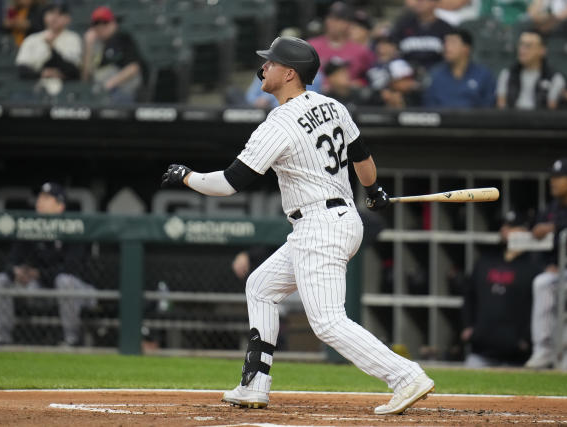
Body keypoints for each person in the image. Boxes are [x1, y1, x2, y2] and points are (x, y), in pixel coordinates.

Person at [161, 36, 435, 415]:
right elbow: (363, 158)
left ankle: (405, 375)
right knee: (260, 287)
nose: (263, 69)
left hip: (320, 225)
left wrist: (186, 176)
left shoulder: (280, 122)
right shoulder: (332, 105)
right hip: (336, 220)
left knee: (326, 322)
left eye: (270, 64)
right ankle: (255, 384)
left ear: (289, 73)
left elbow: (229, 183)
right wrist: (373, 191)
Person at [0, 182, 97, 346]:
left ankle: (72, 340)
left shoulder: (74, 227)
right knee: (2, 280)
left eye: (47, 198)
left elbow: (72, 268)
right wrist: (16, 272)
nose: (40, 201)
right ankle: (2, 339)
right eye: (40, 197)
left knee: (64, 281)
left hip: (80, 291)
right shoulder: (30, 227)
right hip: (40, 290)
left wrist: (39, 273)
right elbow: (11, 260)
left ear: (60, 206)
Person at [524, 158, 567, 369]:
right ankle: (559, 359)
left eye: (560, 177)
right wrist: (548, 264)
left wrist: (555, 226)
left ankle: (545, 350)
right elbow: (539, 239)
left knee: (547, 285)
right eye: (552, 177)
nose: (553, 182)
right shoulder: (551, 208)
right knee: (547, 285)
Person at [461, 211, 543, 368]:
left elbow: (539, 309)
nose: (505, 230)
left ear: (525, 231)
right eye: (504, 226)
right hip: (481, 350)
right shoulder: (485, 261)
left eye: (512, 227)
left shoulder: (535, 266)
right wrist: (468, 327)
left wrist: (526, 339)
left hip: (519, 356)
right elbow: (469, 296)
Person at [82, 6, 145, 103]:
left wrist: (109, 84)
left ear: (113, 23)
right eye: (96, 23)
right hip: (98, 91)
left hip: (122, 89)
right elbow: (86, 77)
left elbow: (133, 68)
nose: (100, 26)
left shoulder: (123, 38)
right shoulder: (93, 44)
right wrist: (89, 47)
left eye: (105, 22)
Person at [423, 29, 495, 108]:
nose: (447, 47)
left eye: (453, 43)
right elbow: (429, 106)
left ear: (466, 48)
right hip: (443, 119)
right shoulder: (435, 74)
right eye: (445, 43)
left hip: (474, 119)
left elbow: (488, 106)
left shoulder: (483, 75)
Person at [308, 2, 375, 86]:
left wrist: (358, 84)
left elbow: (371, 78)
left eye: (339, 19)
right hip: (316, 95)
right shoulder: (311, 46)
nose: (333, 23)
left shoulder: (361, 51)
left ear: (349, 24)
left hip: (347, 97)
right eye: (330, 17)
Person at [496, 30, 566, 110]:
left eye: (528, 46)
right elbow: (501, 107)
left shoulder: (554, 78)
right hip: (511, 120)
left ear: (542, 50)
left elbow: (552, 112)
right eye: (521, 44)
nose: (522, 49)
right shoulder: (507, 74)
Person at [15, 0, 81, 82]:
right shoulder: (32, 39)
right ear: (44, 16)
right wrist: (42, 73)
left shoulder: (73, 39)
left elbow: (73, 71)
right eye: (51, 12)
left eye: (60, 14)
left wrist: (51, 47)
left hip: (65, 88)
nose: (54, 17)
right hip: (35, 87)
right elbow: (22, 69)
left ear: (68, 19)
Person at [390, 0, 454, 73]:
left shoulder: (446, 28)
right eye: (418, 1)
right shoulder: (403, 25)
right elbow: (393, 49)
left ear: (435, 3)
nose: (419, 3)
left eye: (423, 1)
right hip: (406, 74)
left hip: (437, 74)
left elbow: (450, 57)